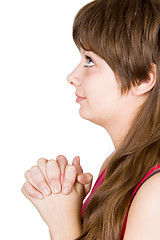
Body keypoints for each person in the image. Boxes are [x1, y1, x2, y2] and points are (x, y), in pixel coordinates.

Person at [21, 0, 160, 239]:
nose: (72, 77)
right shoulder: (118, 166)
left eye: (90, 61)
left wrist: (63, 223)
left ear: (143, 78)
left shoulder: (155, 194)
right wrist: (68, 204)